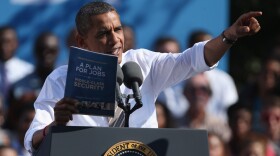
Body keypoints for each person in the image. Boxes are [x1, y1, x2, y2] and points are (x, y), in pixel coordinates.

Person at [24, 1, 262, 153]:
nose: (115, 39)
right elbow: (32, 140)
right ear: (81, 41)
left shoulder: (142, 64)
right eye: (103, 33)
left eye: (117, 29)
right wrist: (55, 126)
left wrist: (229, 36)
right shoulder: (60, 81)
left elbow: (193, 60)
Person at [0, 26, 34, 108]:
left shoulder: (28, 71)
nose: (4, 46)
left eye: (8, 41)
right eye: (1, 41)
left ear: (16, 43)